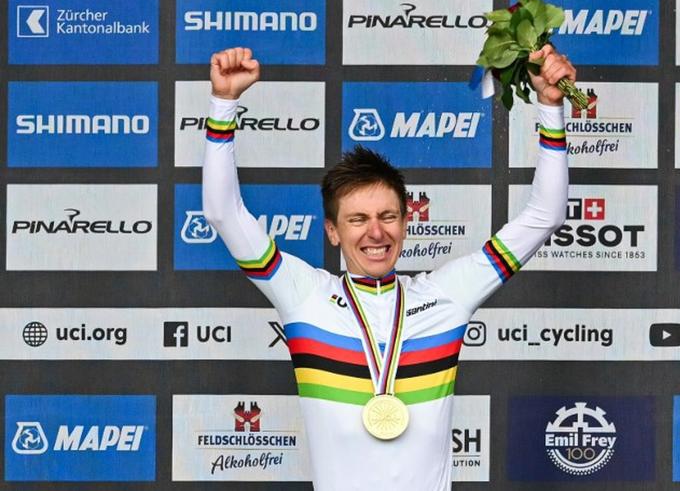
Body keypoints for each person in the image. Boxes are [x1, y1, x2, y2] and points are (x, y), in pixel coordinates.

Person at [203, 46, 573, 490]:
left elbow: (546, 214)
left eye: (388, 216)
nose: (375, 233)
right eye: (357, 219)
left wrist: (552, 107)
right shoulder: (304, 295)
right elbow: (224, 213)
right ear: (332, 231)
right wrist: (223, 104)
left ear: (405, 222)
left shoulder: (445, 295)